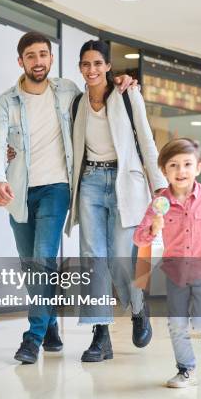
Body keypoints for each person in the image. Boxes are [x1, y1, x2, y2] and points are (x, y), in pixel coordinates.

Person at [0, 31, 134, 364]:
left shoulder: (67, 91)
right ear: (20, 62)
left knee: (43, 260)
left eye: (43, 54)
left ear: (51, 58)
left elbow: (100, 94)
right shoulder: (5, 103)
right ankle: (50, 322)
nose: (38, 61)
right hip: (20, 192)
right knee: (29, 264)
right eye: (31, 56)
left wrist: (122, 80)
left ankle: (33, 337)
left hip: (57, 188)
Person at [65, 39, 167, 362]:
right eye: (86, 64)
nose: (91, 69)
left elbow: (147, 141)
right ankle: (100, 335)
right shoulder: (77, 103)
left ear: (109, 66)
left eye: (97, 63)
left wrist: (161, 188)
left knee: (121, 258)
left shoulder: (127, 96)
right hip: (91, 183)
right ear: (80, 67)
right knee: (93, 257)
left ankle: (138, 308)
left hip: (126, 183)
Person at [134, 138, 201, 388]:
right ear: (164, 170)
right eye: (173, 165)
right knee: (177, 324)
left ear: (198, 167)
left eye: (187, 164)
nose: (181, 171)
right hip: (176, 272)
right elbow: (138, 237)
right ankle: (186, 370)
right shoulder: (160, 202)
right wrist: (152, 227)